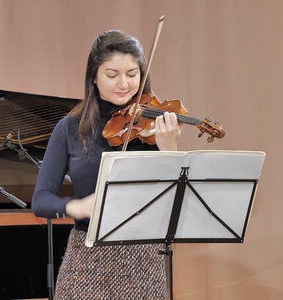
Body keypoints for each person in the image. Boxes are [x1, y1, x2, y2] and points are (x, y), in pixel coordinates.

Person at [31, 29, 183, 300]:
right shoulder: (70, 128)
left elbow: (173, 204)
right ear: (94, 77)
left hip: (143, 260)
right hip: (86, 259)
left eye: (132, 74)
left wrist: (169, 149)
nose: (123, 84)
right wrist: (75, 206)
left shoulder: (152, 129)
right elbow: (41, 200)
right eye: (112, 75)